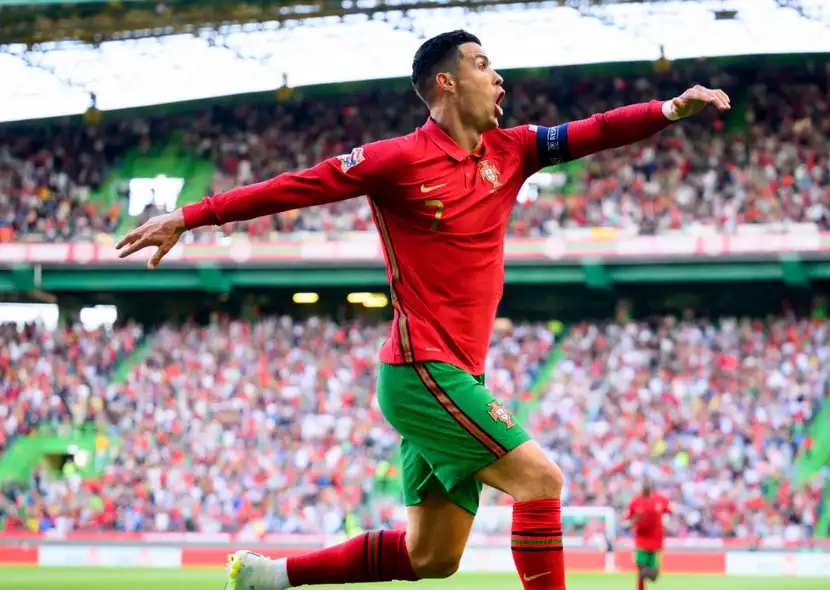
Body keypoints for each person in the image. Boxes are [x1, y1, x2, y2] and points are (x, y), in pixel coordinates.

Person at [116, 29, 729, 590]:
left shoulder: (511, 150)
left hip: (457, 374)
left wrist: (671, 109)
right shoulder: (397, 160)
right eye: (483, 65)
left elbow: (594, 129)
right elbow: (298, 185)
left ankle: (269, 577)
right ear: (447, 82)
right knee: (541, 481)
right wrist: (189, 216)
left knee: (432, 558)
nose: (499, 80)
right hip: (421, 370)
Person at [624, 480, 671, 590]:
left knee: (653, 575)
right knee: (641, 569)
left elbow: (669, 511)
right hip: (641, 540)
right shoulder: (635, 502)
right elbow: (629, 518)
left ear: (651, 487)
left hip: (656, 541)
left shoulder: (660, 500)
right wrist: (629, 523)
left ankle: (647, 573)